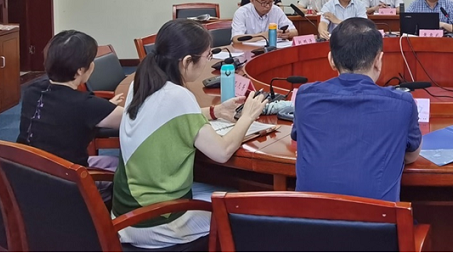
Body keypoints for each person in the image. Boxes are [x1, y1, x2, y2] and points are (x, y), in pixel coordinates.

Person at [112, 19, 267, 249]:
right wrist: (247, 117)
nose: (207, 61)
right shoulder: (178, 96)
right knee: (246, 212)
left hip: (125, 214)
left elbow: (167, 117)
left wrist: (215, 111)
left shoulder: (142, 82)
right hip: (157, 219)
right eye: (207, 56)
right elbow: (222, 151)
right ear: (186, 61)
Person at [292, 18, 422, 201]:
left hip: (309, 218)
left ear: (331, 60)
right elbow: (411, 156)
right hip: (376, 219)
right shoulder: (402, 103)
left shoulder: (305, 96)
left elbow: (300, 142)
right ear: (378, 60)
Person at [17, 30, 124, 172]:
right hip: (67, 179)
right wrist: (104, 108)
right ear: (80, 70)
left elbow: (63, 113)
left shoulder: (32, 91)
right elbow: (136, 120)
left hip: (25, 172)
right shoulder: (87, 105)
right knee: (123, 167)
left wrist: (105, 107)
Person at [231, 0, 297, 41]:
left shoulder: (276, 10)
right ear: (252, 1)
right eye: (263, 2)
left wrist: (287, 34)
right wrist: (266, 35)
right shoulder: (242, 12)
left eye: (270, 2)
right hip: (249, 49)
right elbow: (236, 39)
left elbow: (294, 32)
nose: (268, 6)